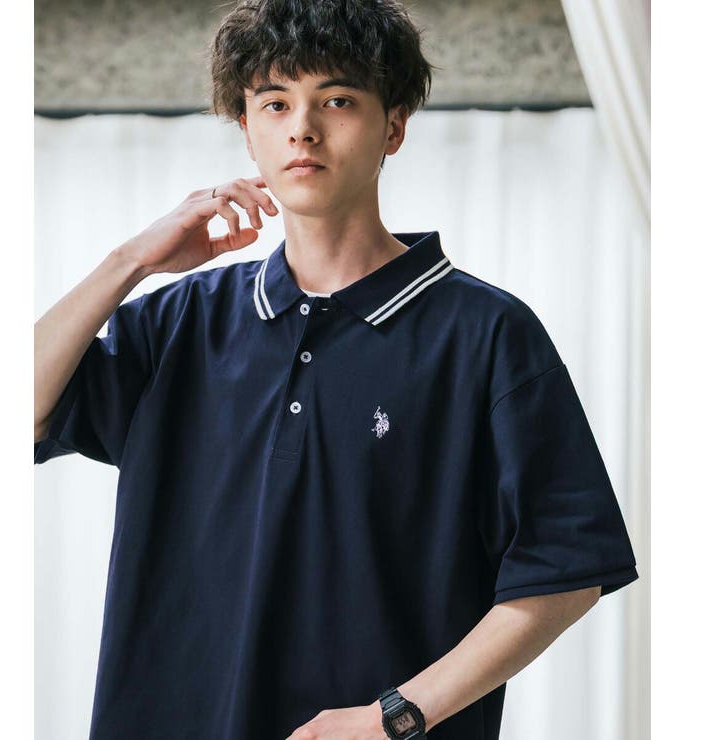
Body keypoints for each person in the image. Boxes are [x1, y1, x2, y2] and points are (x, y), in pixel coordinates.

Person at [34, 1, 639, 738]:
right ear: (247, 131)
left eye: (338, 100)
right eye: (275, 103)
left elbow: (566, 572)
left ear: (394, 127)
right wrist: (128, 262)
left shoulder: (487, 335)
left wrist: (394, 717)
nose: (303, 129)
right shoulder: (180, 321)